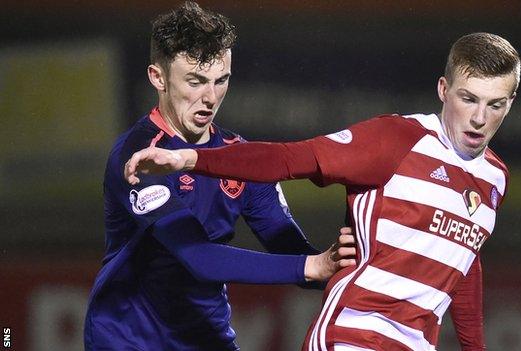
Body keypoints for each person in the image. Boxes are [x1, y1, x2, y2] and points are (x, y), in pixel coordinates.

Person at [125, 32, 521, 350]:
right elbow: (289, 159)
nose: (479, 118)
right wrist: (190, 159)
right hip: (351, 335)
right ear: (443, 89)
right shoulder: (396, 140)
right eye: (468, 99)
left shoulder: (494, 179)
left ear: (510, 103)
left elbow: (463, 258)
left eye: (495, 104)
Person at [83, 2, 357, 350]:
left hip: (207, 339)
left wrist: (352, 261)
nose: (210, 98)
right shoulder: (138, 157)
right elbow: (199, 257)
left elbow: (292, 251)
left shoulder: (239, 158)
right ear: (158, 78)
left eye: (220, 80)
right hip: (127, 342)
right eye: (195, 81)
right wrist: (312, 266)